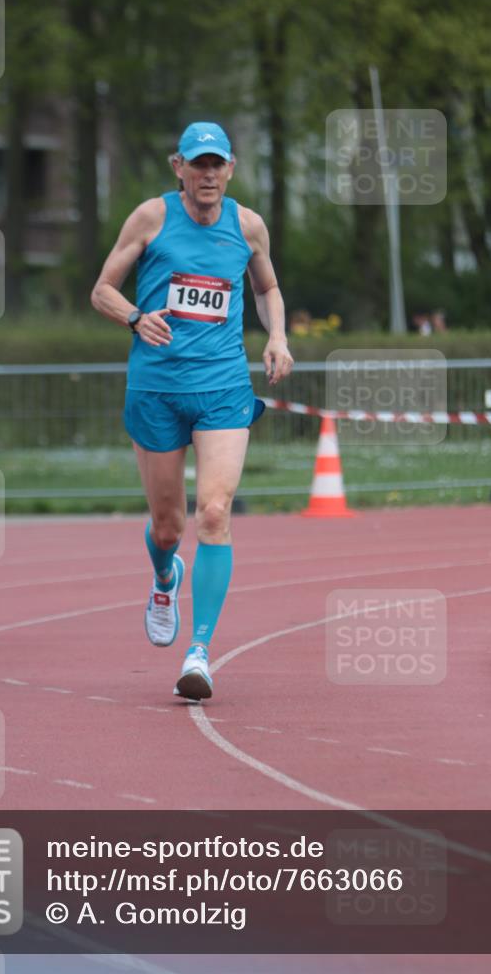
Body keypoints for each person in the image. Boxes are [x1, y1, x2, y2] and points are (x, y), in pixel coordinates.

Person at [92, 122, 293, 700]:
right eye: (197, 164)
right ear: (178, 165)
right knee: (168, 525)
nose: (207, 175)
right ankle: (163, 575)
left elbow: (267, 287)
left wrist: (276, 335)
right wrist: (134, 316)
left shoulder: (248, 225)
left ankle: (200, 652)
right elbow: (102, 288)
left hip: (223, 386)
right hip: (156, 386)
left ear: (231, 168)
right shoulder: (150, 217)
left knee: (212, 512)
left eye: (217, 165)